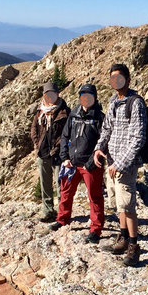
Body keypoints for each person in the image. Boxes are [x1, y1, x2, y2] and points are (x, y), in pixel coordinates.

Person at [94, 63, 145, 266]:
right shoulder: (114, 101)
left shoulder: (136, 103)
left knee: (128, 205)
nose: (116, 82)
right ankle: (123, 238)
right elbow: (106, 129)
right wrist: (99, 148)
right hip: (111, 162)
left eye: (119, 78)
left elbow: (138, 138)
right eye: (112, 78)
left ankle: (134, 246)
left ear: (128, 79)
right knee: (118, 204)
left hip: (125, 164)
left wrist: (121, 164)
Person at [50, 84, 105, 242]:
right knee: (65, 193)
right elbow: (65, 136)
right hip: (71, 163)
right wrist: (64, 157)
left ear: (95, 97)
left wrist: (91, 163)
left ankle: (96, 229)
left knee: (94, 196)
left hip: (90, 165)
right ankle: (62, 219)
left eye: (89, 95)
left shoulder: (100, 118)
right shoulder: (74, 115)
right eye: (83, 95)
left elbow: (103, 143)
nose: (86, 98)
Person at [30, 81, 70, 222]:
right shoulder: (40, 111)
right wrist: (37, 143)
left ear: (57, 94)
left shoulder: (65, 111)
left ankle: (61, 213)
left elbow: (66, 133)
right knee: (45, 184)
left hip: (58, 153)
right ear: (44, 95)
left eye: (52, 94)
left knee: (60, 184)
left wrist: (59, 148)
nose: (50, 97)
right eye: (47, 94)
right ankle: (47, 211)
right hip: (43, 153)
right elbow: (34, 129)